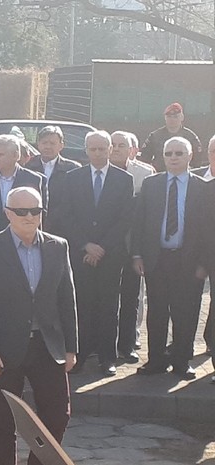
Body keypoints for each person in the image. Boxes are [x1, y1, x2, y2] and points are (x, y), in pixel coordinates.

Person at [0, 186, 77, 465]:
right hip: (4, 349)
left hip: (47, 346)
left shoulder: (58, 246)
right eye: (21, 211)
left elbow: (67, 299)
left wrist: (71, 348)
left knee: (58, 416)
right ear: (7, 213)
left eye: (35, 210)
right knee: (3, 421)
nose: (29, 216)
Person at [57, 131, 134, 377]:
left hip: (110, 255)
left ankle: (107, 358)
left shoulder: (124, 179)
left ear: (110, 149)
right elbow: (66, 215)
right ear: (86, 150)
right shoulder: (72, 178)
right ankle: (80, 355)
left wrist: (102, 247)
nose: (98, 153)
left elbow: (125, 218)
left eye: (102, 149)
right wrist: (85, 244)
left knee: (109, 307)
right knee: (82, 304)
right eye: (93, 149)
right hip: (81, 254)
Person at [132, 137, 208, 380]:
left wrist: (204, 264)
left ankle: (182, 361)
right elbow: (139, 221)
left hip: (189, 262)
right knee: (157, 312)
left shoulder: (203, 187)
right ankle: (156, 360)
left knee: (186, 313)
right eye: (168, 153)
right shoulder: (151, 184)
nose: (173, 157)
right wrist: (137, 254)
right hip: (157, 259)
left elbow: (210, 230)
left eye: (178, 153)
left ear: (190, 156)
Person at [110, 131, 155, 363]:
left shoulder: (145, 173)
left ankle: (128, 342)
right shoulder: (101, 171)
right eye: (113, 144)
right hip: (107, 244)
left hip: (133, 244)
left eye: (122, 145)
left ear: (132, 149)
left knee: (132, 296)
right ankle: (104, 342)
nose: (116, 149)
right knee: (105, 297)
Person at [25, 126, 80, 234]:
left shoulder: (72, 169)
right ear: (38, 144)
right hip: (34, 224)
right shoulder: (28, 166)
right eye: (44, 143)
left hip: (64, 226)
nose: (48, 146)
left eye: (52, 143)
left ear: (61, 145)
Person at [193, 135, 215, 356]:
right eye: (214, 151)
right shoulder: (195, 178)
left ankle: (211, 340)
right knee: (188, 301)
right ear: (208, 153)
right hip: (193, 254)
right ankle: (183, 343)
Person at [139, 102, 203, 172]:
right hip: (160, 174)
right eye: (169, 116)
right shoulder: (155, 136)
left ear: (182, 117)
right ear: (165, 118)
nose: (172, 119)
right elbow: (144, 159)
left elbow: (197, 161)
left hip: (184, 175)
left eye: (175, 117)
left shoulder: (191, 137)